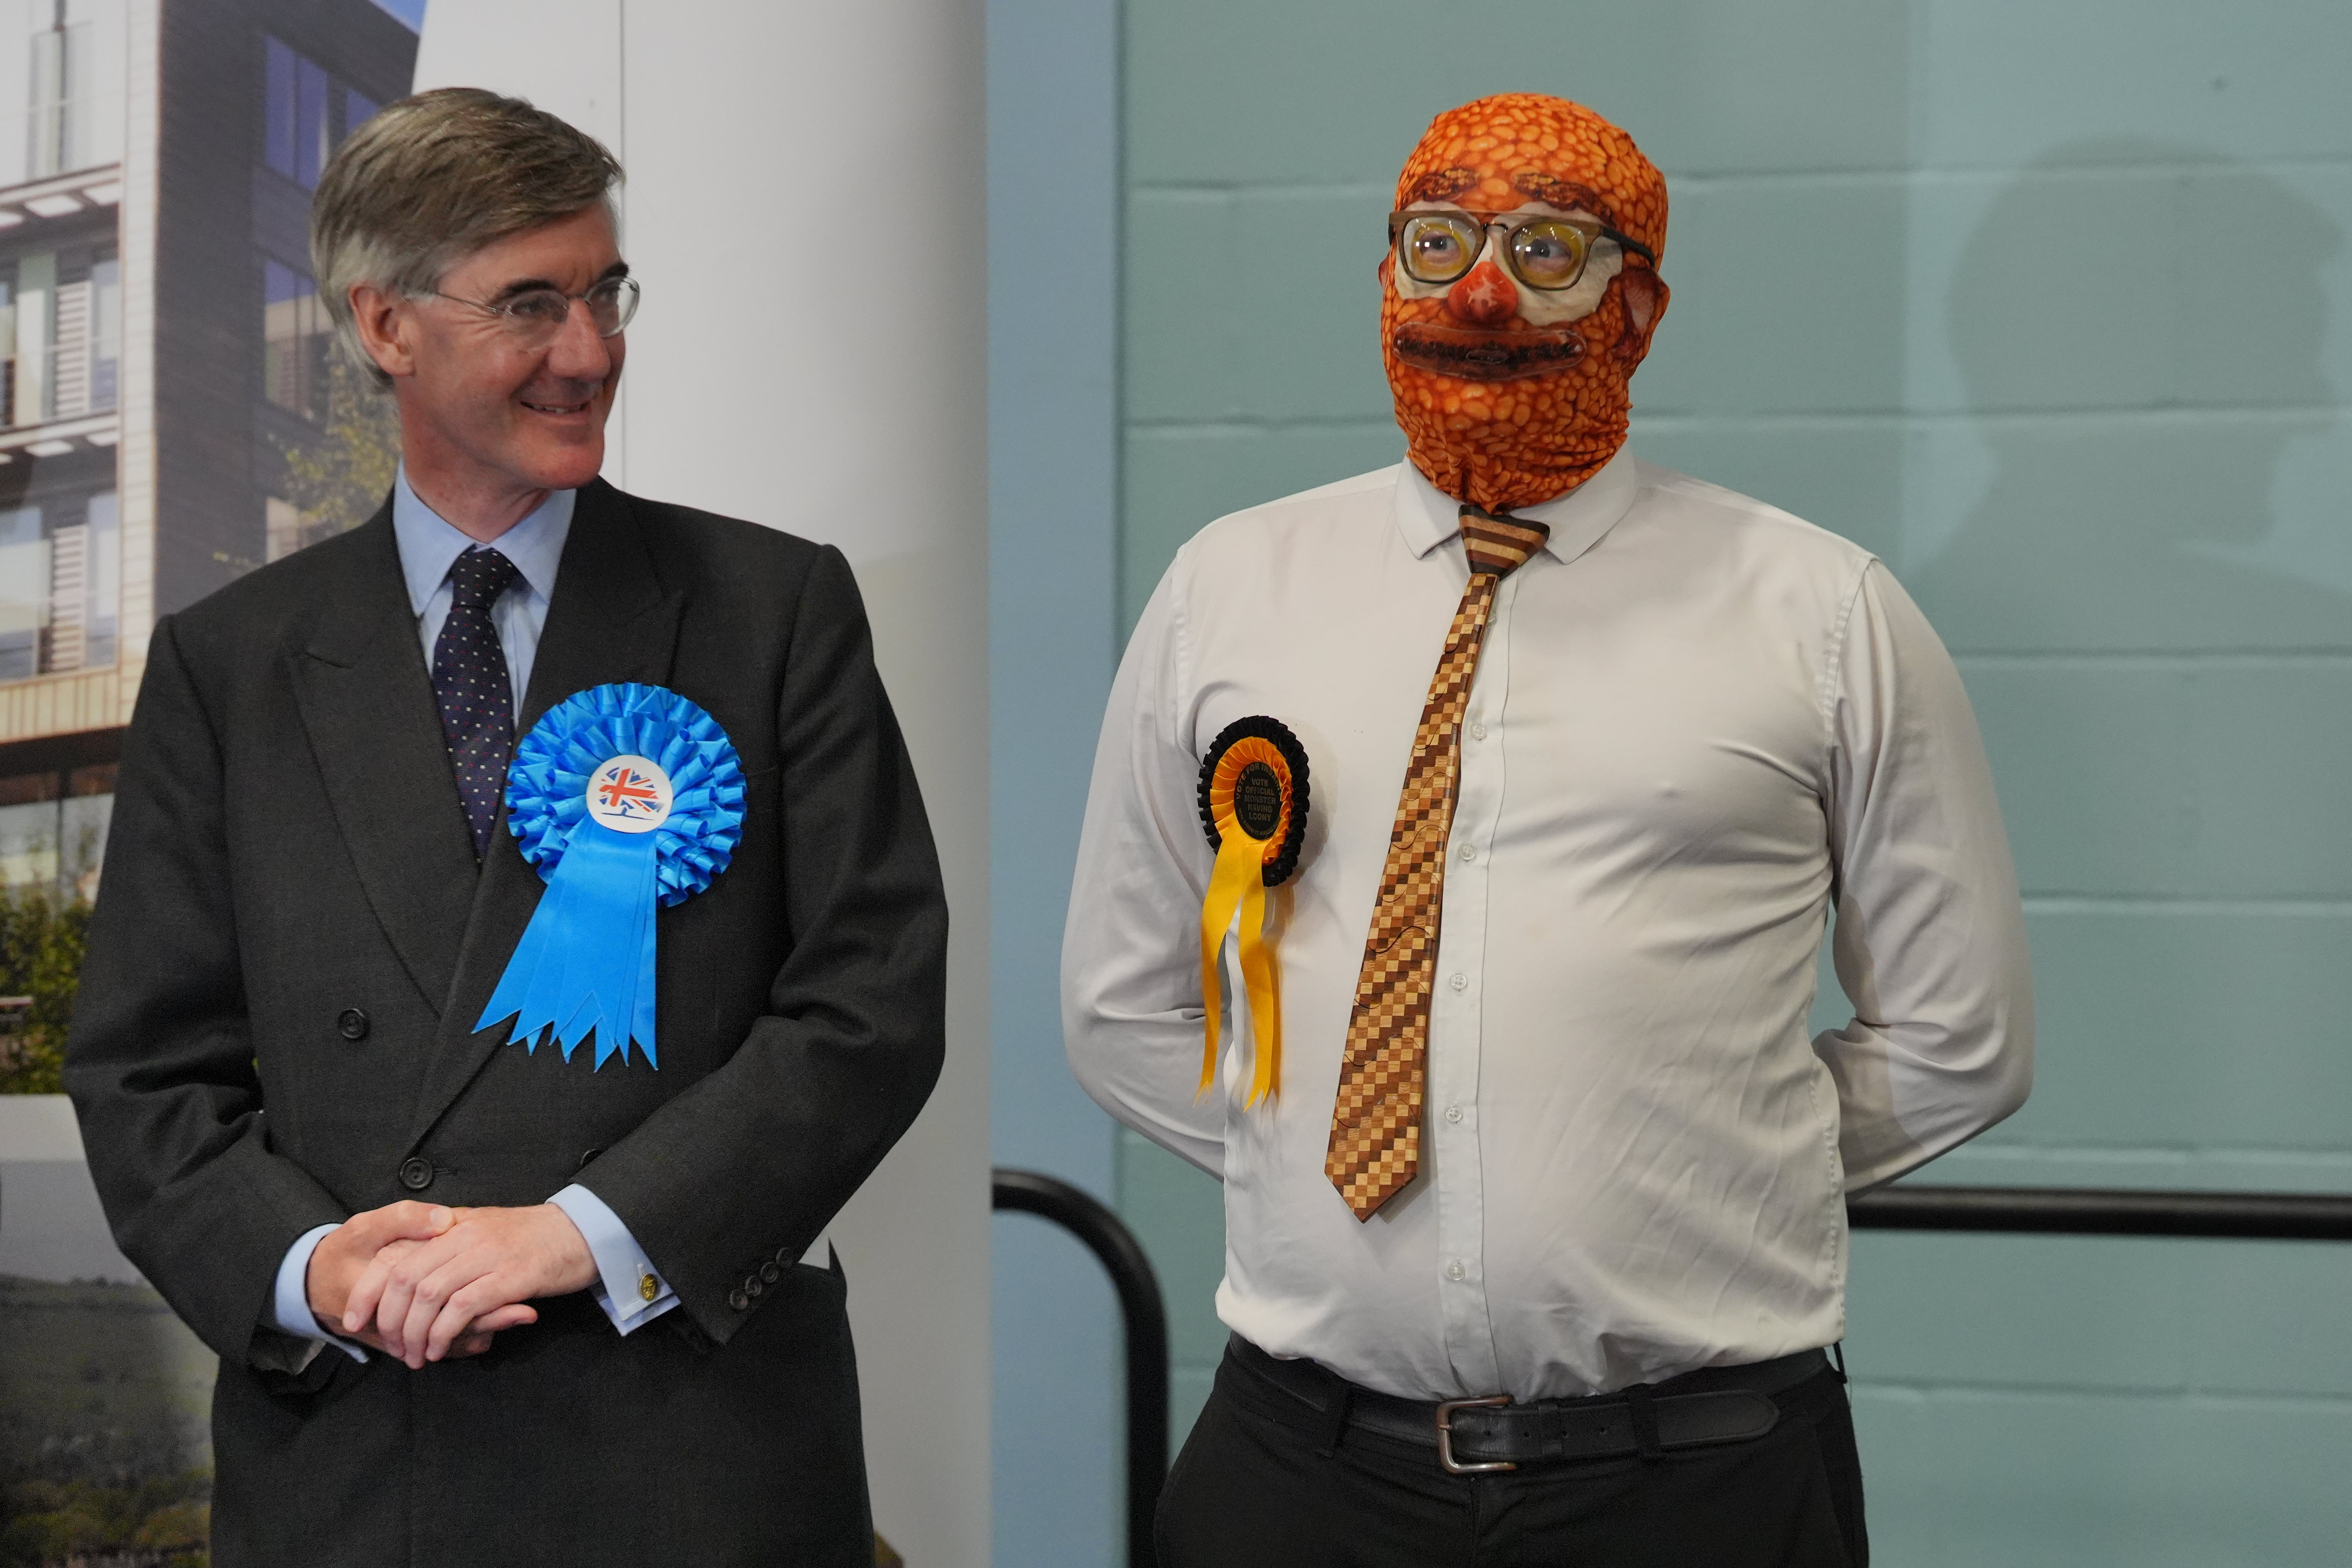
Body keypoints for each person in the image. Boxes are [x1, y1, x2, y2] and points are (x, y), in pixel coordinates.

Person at [1063, 92, 2032, 1567]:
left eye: (1552, 251)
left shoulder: (1822, 613)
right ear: (1384, 277)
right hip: (1302, 1473)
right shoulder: (1229, 589)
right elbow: (1126, 1004)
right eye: (1439, 241)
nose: (1483, 295)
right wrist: (1339, 1168)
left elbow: (1962, 1039)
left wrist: (1694, 1164)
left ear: (1639, 306)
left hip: (1696, 1483)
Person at [64, 88, 946, 1568]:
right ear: (385, 326)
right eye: (531, 305)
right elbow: (148, 1070)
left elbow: (870, 1003)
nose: (590, 352)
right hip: (359, 1447)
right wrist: (316, 1266)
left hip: (697, 1451)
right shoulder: (229, 664)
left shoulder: (773, 609)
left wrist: (581, 1232)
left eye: (607, 294)